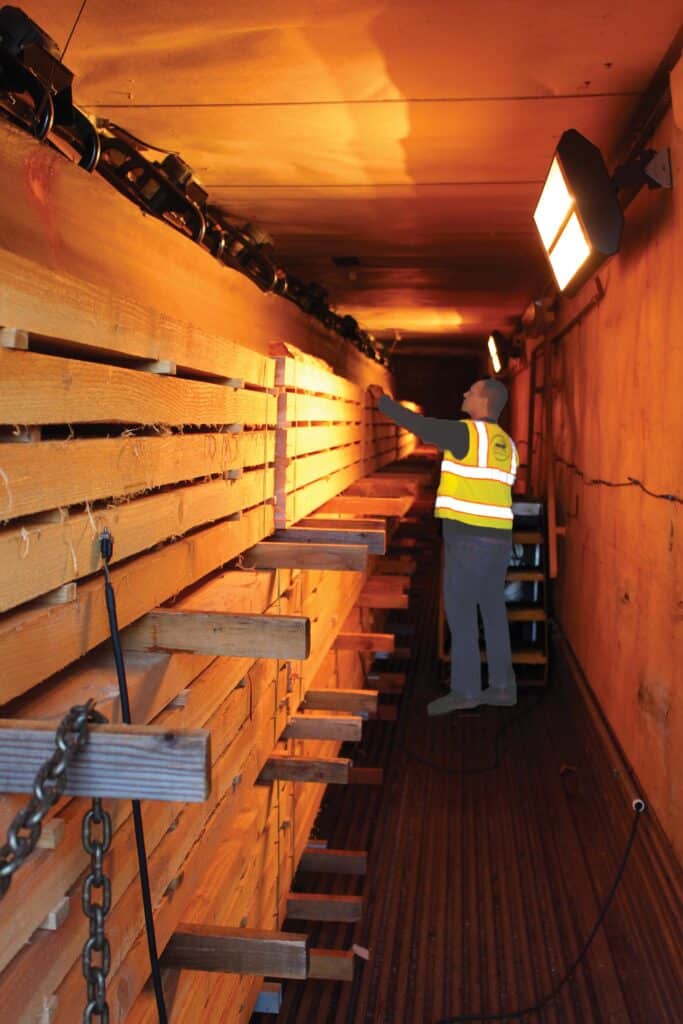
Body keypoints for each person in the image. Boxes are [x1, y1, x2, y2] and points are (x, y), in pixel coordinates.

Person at [367, 379, 519, 715]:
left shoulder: (467, 434)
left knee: (462, 612)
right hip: (497, 537)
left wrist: (384, 402)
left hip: (468, 537)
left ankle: (466, 691)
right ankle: (503, 687)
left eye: (471, 391)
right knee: (493, 611)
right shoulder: (506, 444)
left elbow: (419, 425)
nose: (464, 393)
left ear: (483, 402)